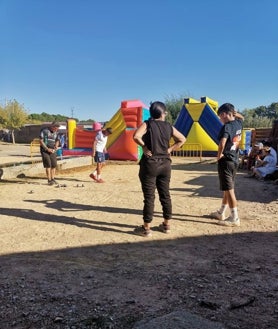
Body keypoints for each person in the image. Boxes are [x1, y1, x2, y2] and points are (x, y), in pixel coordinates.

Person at [133, 101, 186, 237]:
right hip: (165, 164)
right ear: (164, 113)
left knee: (149, 197)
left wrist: (144, 147)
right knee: (165, 195)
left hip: (150, 164)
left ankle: (147, 228)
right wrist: (170, 149)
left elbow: (136, 136)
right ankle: (166, 225)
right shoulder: (169, 126)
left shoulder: (148, 124)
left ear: (151, 113)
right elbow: (182, 139)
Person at [210, 103, 244, 227]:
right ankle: (221, 212)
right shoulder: (239, 123)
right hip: (235, 160)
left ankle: (235, 218)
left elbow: (222, 143)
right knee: (227, 188)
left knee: (229, 190)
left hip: (227, 161)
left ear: (224, 114)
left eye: (220, 116)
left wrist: (219, 155)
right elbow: (242, 117)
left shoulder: (227, 127)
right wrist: (235, 113)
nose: (220, 119)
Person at [39, 121, 61, 185]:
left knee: (54, 165)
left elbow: (57, 140)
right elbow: (41, 141)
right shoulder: (44, 131)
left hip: (53, 150)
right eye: (56, 128)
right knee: (48, 164)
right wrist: (47, 149)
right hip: (45, 150)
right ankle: (49, 180)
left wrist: (56, 146)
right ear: (52, 126)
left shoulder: (56, 132)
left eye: (57, 128)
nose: (57, 129)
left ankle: (53, 179)